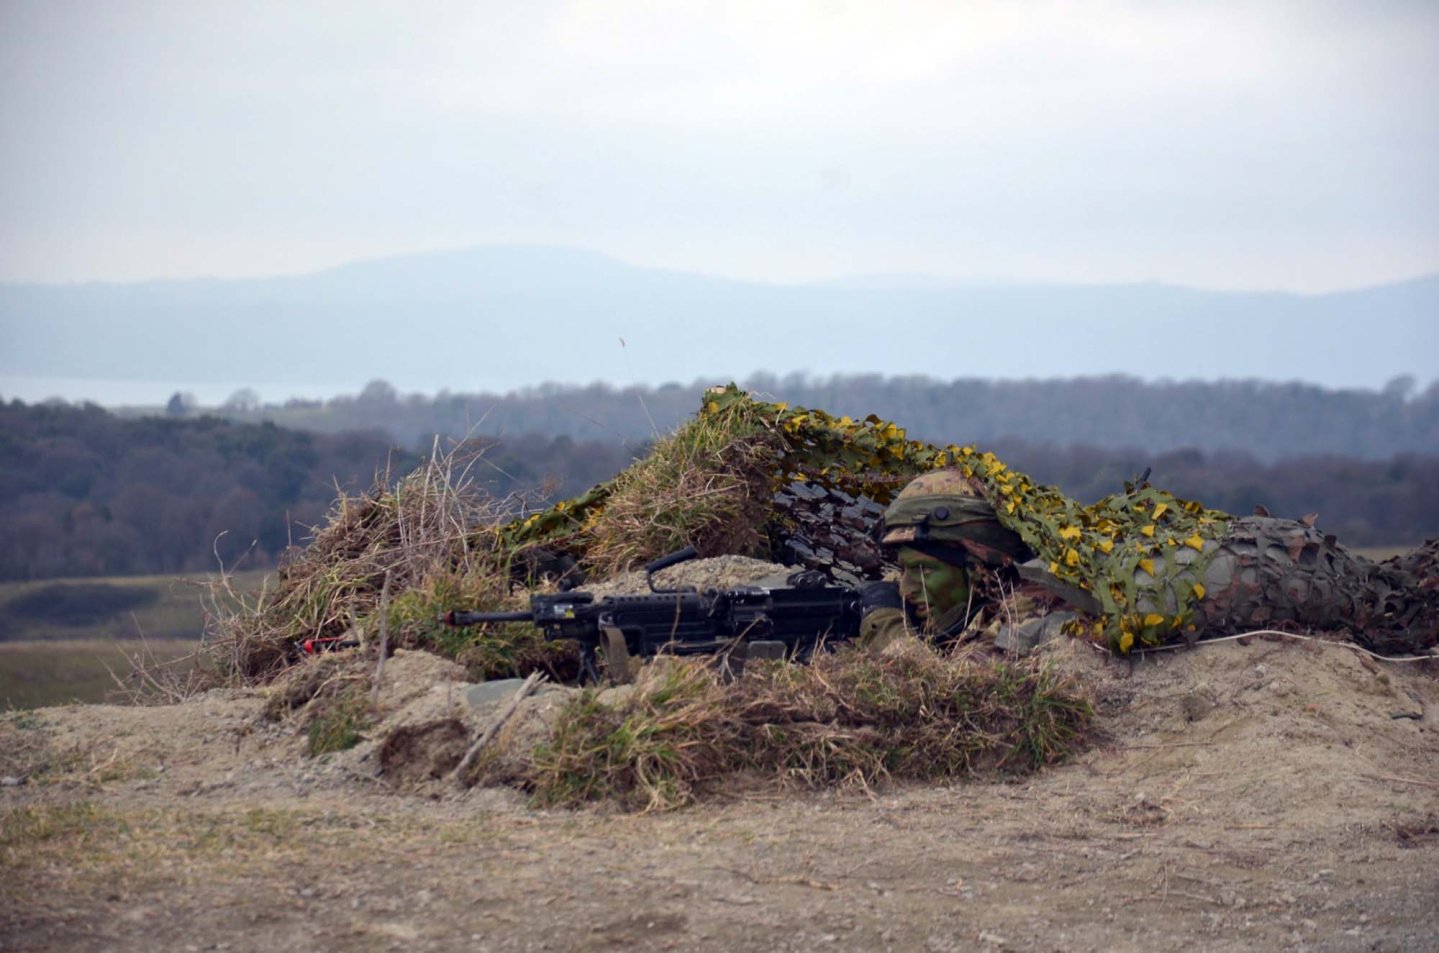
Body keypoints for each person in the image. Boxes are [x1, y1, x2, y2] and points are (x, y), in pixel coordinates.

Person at [855, 468, 1438, 658]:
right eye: (901, 571)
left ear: (982, 563)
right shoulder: (990, 603)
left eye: (921, 571)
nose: (906, 588)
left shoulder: (1049, 609)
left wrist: (885, 633)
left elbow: (975, 682)